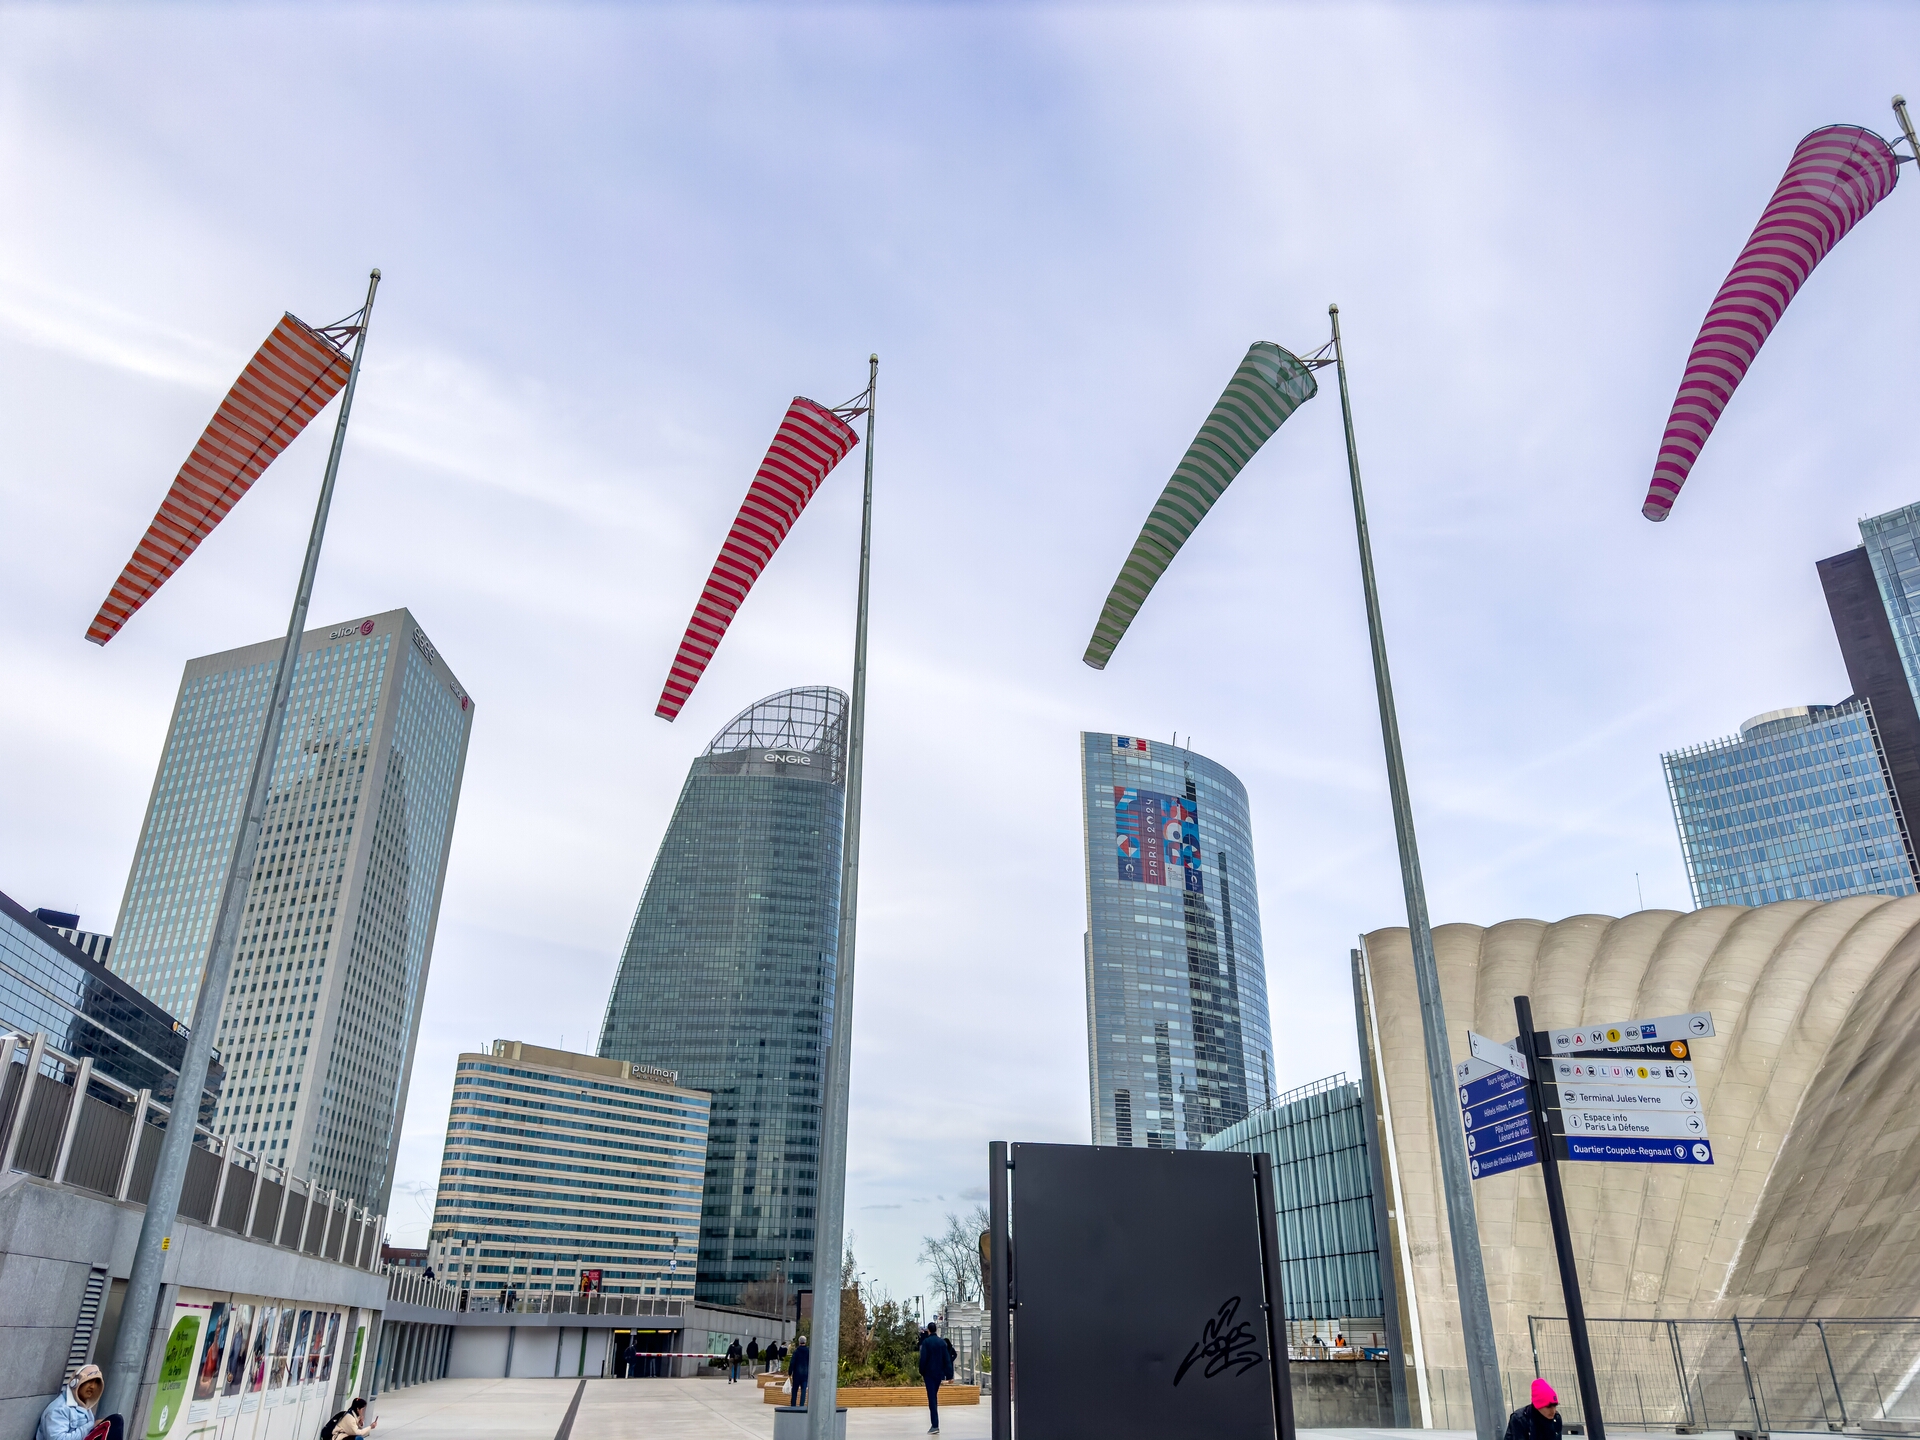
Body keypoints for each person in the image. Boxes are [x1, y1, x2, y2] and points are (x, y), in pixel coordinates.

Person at [38, 1365, 122, 1440]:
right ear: (75, 1383)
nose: (92, 1386)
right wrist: (90, 1427)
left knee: (114, 1422)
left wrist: (96, 1426)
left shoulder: (83, 1405)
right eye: (89, 1381)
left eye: (96, 1382)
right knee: (116, 1420)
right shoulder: (59, 1409)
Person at [918, 1320, 955, 1435]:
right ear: (936, 1330)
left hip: (929, 1374)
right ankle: (935, 1424)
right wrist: (949, 1375)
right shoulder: (942, 1343)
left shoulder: (927, 1342)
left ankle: (935, 1425)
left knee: (932, 1398)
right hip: (938, 1374)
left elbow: (923, 1358)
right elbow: (947, 1360)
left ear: (928, 1330)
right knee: (933, 1396)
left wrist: (921, 1371)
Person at [790, 1337, 810, 1408]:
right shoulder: (808, 1351)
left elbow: (792, 1362)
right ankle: (801, 1405)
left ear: (799, 1342)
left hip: (797, 1374)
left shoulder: (796, 1351)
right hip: (805, 1374)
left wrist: (790, 1372)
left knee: (795, 1390)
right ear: (805, 1342)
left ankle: (793, 1405)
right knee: (803, 1390)